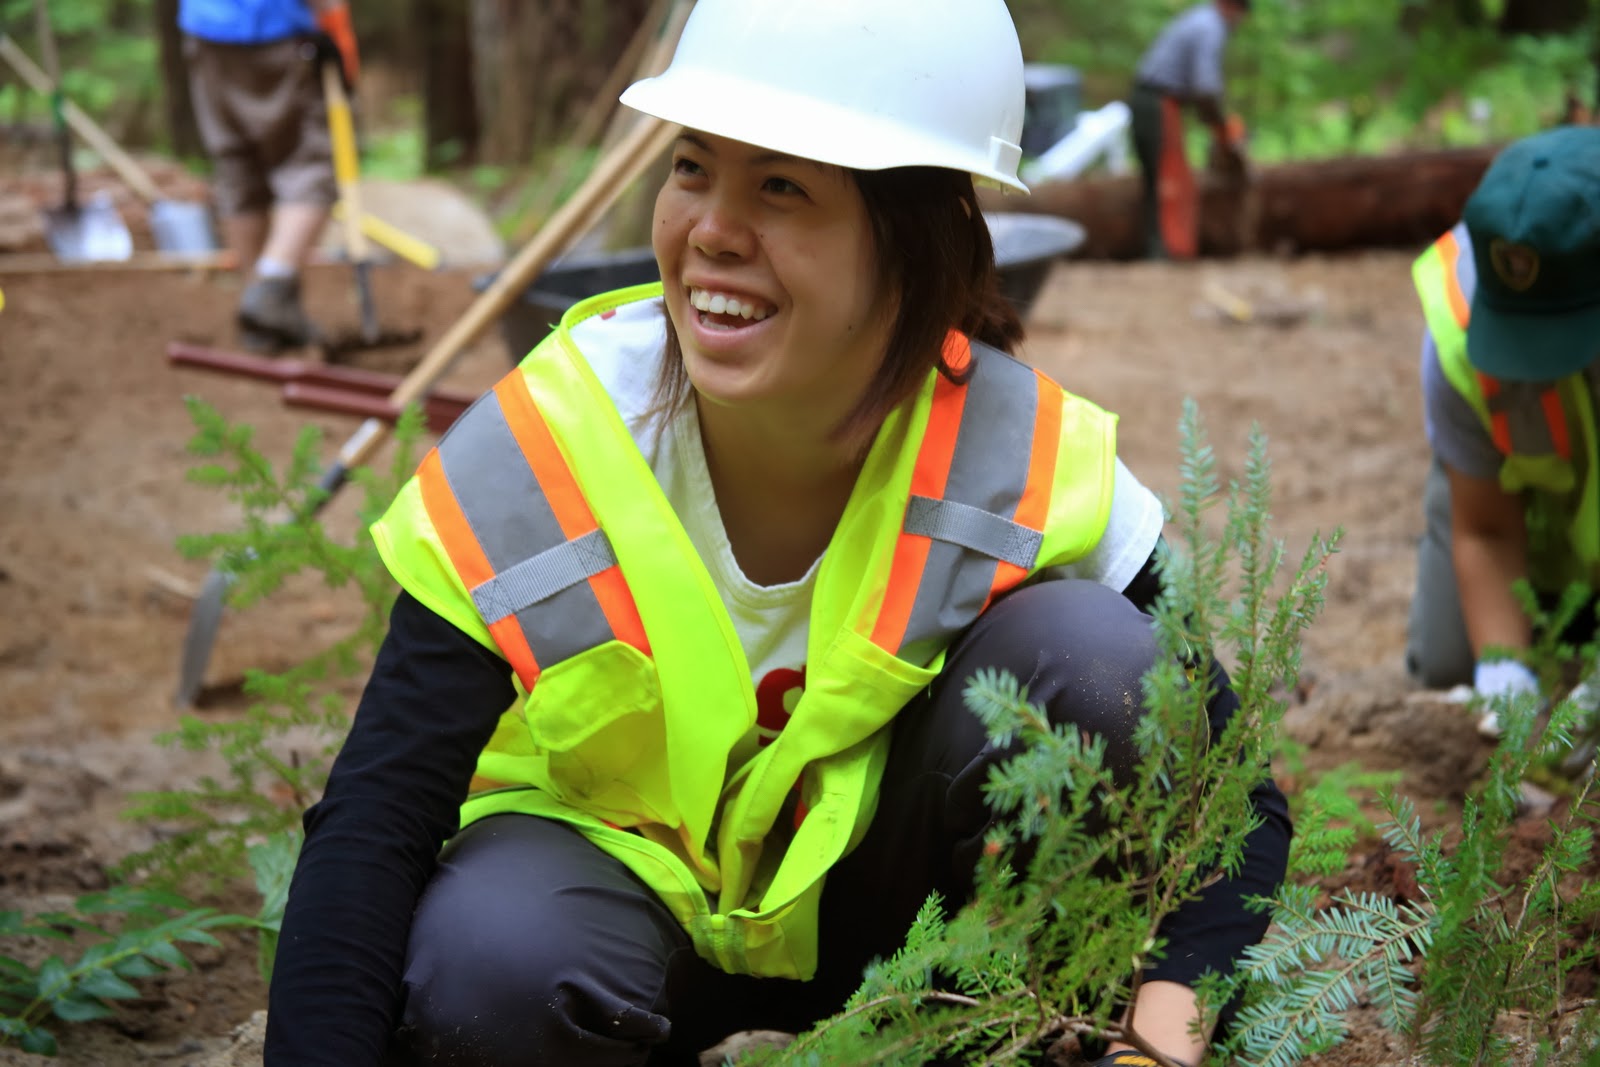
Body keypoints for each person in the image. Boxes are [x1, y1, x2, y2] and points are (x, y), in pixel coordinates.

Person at [263, 1, 1292, 1064]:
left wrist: (1155, 1044)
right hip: (608, 933)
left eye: (783, 185)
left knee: (1097, 662)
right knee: (491, 959)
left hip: (920, 949)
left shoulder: (1014, 456)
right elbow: (377, 822)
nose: (711, 227)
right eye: (693, 166)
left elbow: (1231, 793)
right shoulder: (544, 449)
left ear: (909, 238)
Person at [1406, 125, 1600, 735]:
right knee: (1447, 661)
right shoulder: (1459, 327)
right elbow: (1484, 530)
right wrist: (1504, 669)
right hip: (1515, 499)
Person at [178, 0, 359, 352]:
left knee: (238, 161)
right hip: (277, 32)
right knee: (313, 166)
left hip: (206, 30)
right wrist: (335, 24)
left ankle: (259, 316)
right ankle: (271, 284)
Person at [1129, 0, 1251, 260]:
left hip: (1154, 99)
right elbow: (1205, 87)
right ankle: (1166, 251)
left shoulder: (1199, 19)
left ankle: (1164, 249)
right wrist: (1221, 125)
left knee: (1162, 178)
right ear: (1233, 7)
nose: (1237, 24)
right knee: (1169, 179)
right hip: (1157, 102)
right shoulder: (1211, 26)